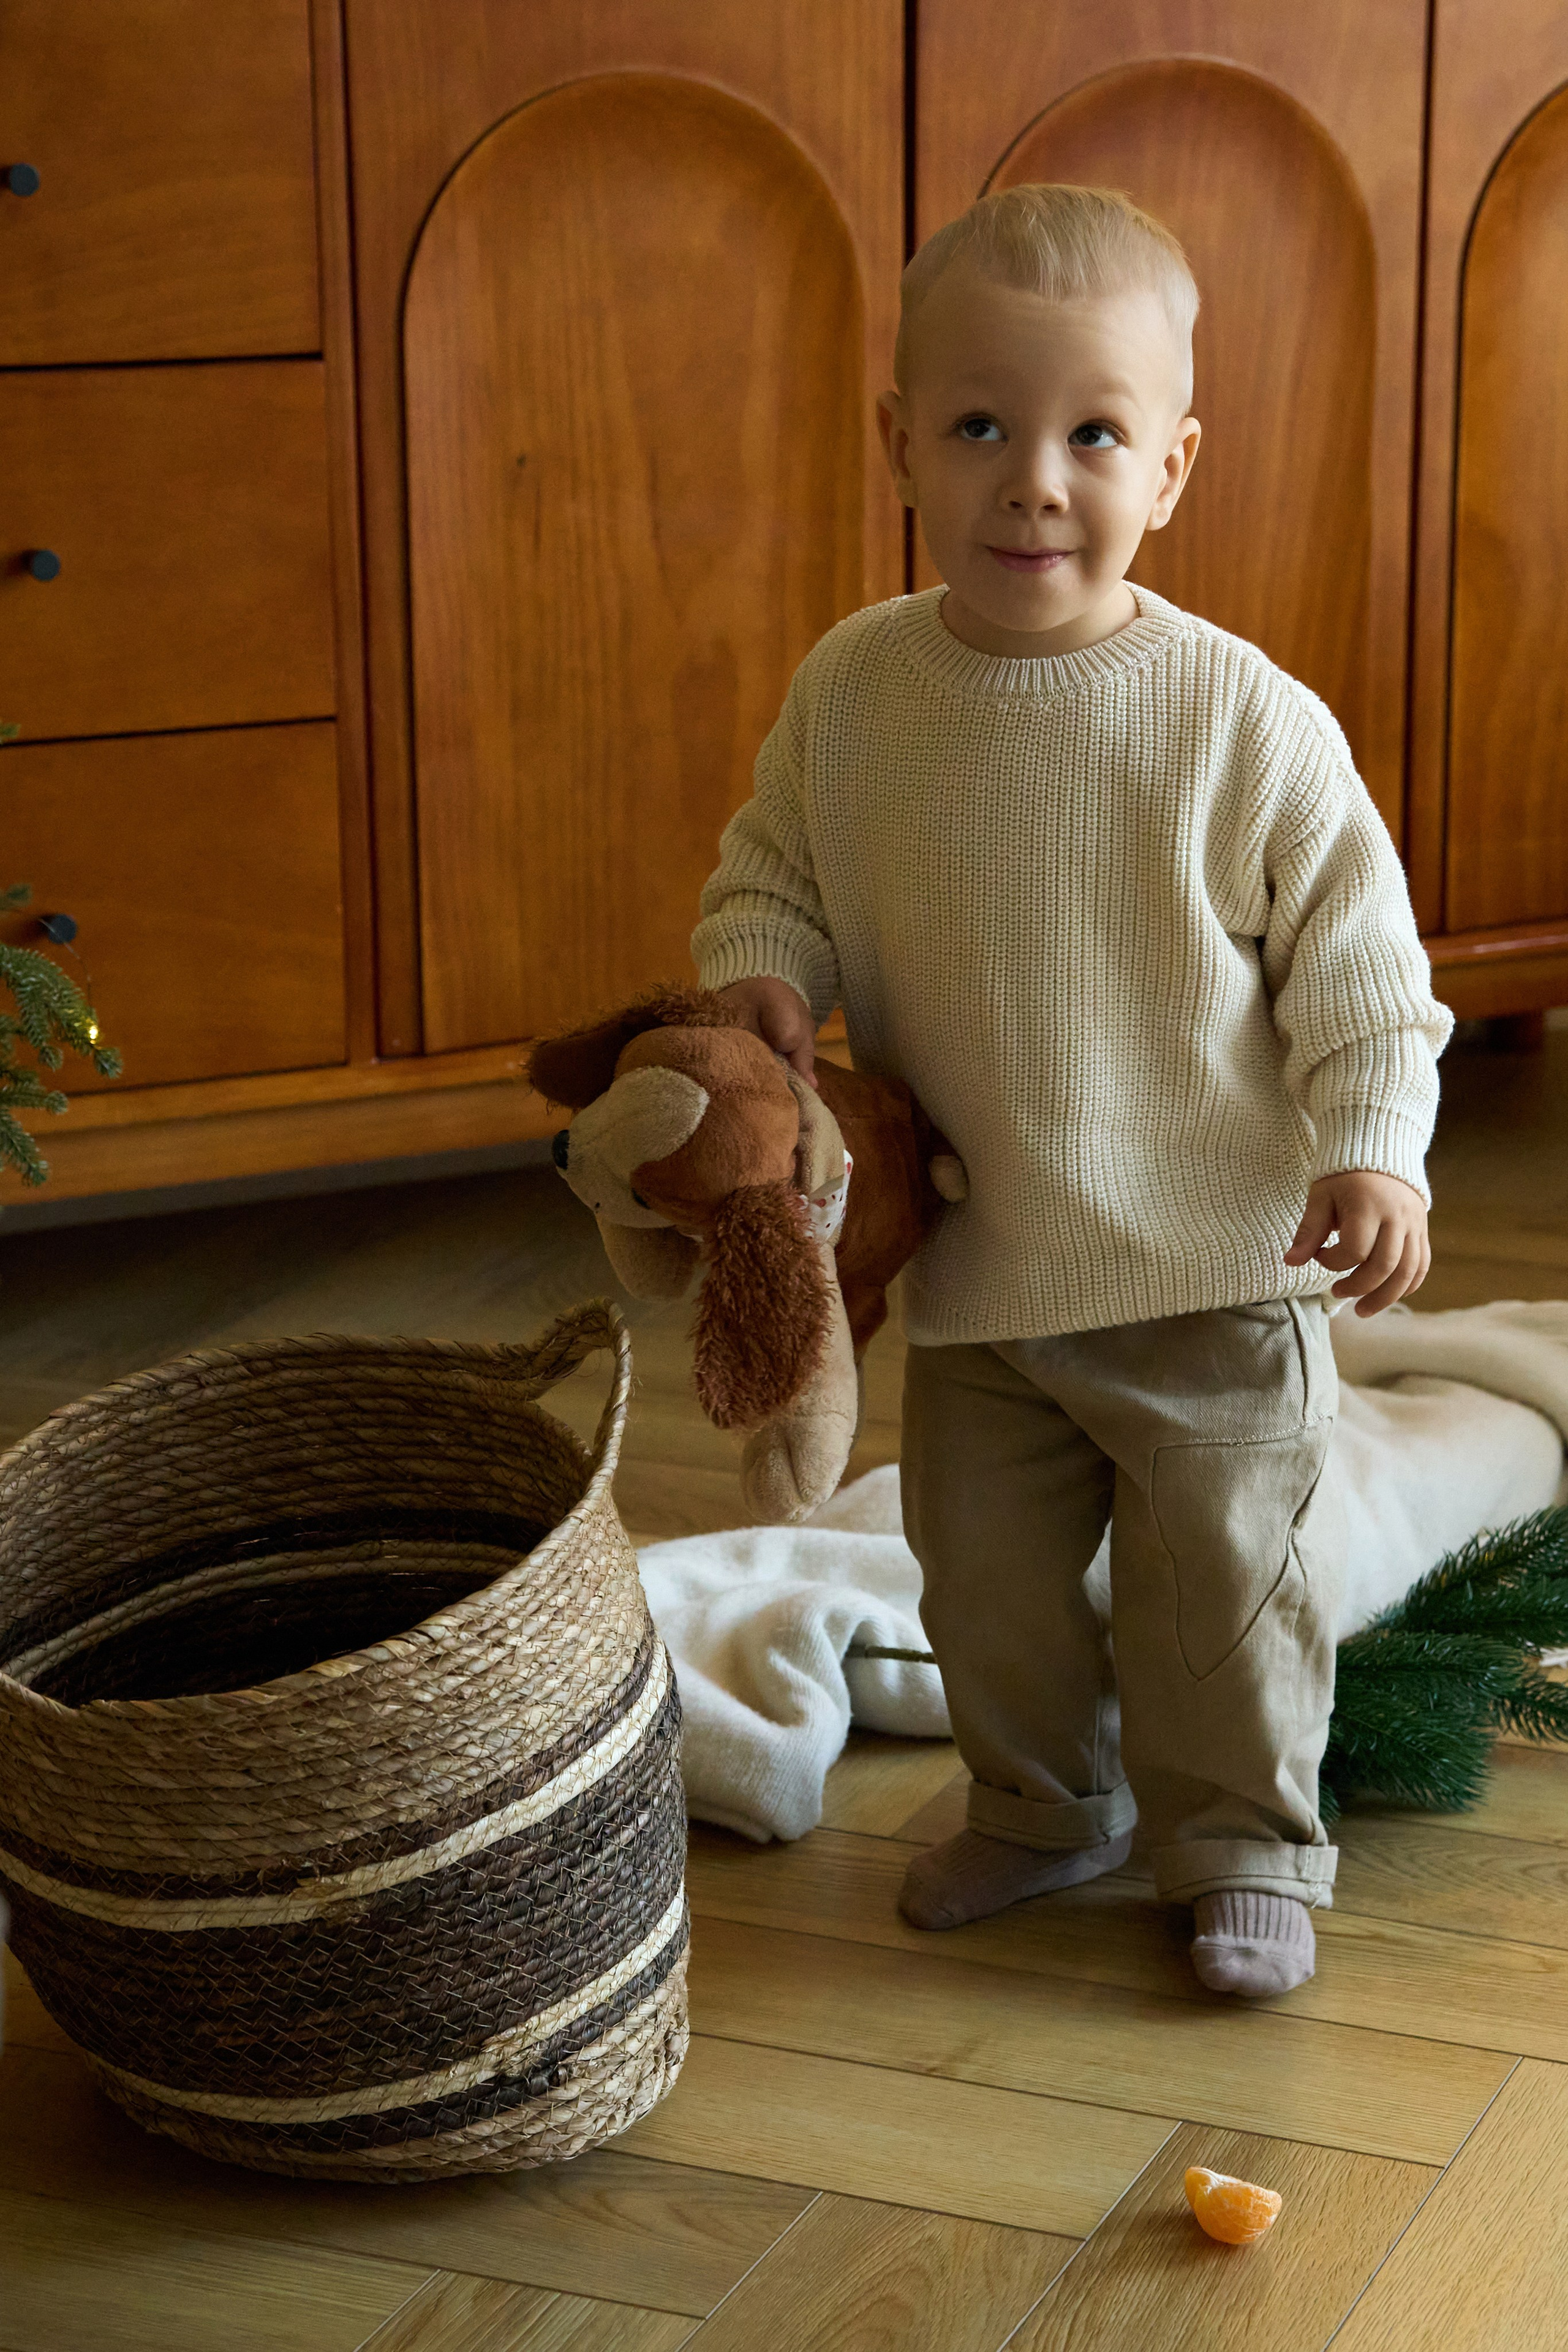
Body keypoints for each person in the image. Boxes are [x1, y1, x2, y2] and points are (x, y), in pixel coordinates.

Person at [691, 184, 1450, 1997]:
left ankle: (1243, 1844)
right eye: (979, 427)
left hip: (1216, 1262)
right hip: (986, 1273)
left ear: (1171, 467)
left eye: (1093, 433)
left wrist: (1376, 1154)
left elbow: (1364, 968)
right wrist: (764, 992)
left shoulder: (1238, 716)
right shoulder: (858, 692)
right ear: (898, 447)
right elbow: (771, 873)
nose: (1035, 478)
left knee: (1221, 1599)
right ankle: (1045, 1807)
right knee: (991, 1590)